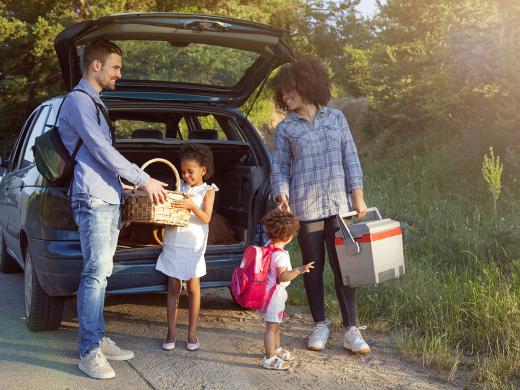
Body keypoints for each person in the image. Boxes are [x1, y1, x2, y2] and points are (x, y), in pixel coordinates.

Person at [58, 39, 169, 380]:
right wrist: (143, 178)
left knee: (101, 273)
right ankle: (89, 351)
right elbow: (99, 149)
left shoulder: (94, 102)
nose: (119, 74)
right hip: (92, 199)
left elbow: (96, 157)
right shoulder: (79, 102)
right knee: (94, 273)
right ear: (96, 65)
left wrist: (125, 186)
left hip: (106, 196)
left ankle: (97, 337)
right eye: (115, 67)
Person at [269, 58, 370, 354]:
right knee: (313, 268)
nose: (286, 97)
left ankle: (352, 330)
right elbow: (279, 169)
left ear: (308, 86)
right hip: (305, 207)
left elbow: (350, 156)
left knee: (345, 269)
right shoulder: (285, 129)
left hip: (339, 205)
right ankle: (320, 325)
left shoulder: (336, 118)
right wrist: (282, 195)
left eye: (291, 91)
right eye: (283, 92)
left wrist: (358, 193)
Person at [155, 144, 218, 352]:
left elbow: (206, 218)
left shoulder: (208, 191)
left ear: (203, 170)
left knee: (193, 288)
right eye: (183, 171)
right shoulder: (178, 186)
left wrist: (192, 206)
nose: (186, 175)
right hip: (174, 241)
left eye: (190, 172)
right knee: (173, 287)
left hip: (193, 245)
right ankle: (171, 332)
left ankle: (192, 332)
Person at [260, 209, 314, 370]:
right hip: (273, 295)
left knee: (275, 324)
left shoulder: (268, 246)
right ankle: (269, 358)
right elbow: (282, 276)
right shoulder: (280, 255)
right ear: (289, 236)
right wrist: (299, 270)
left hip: (269, 293)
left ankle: (275, 349)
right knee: (271, 327)